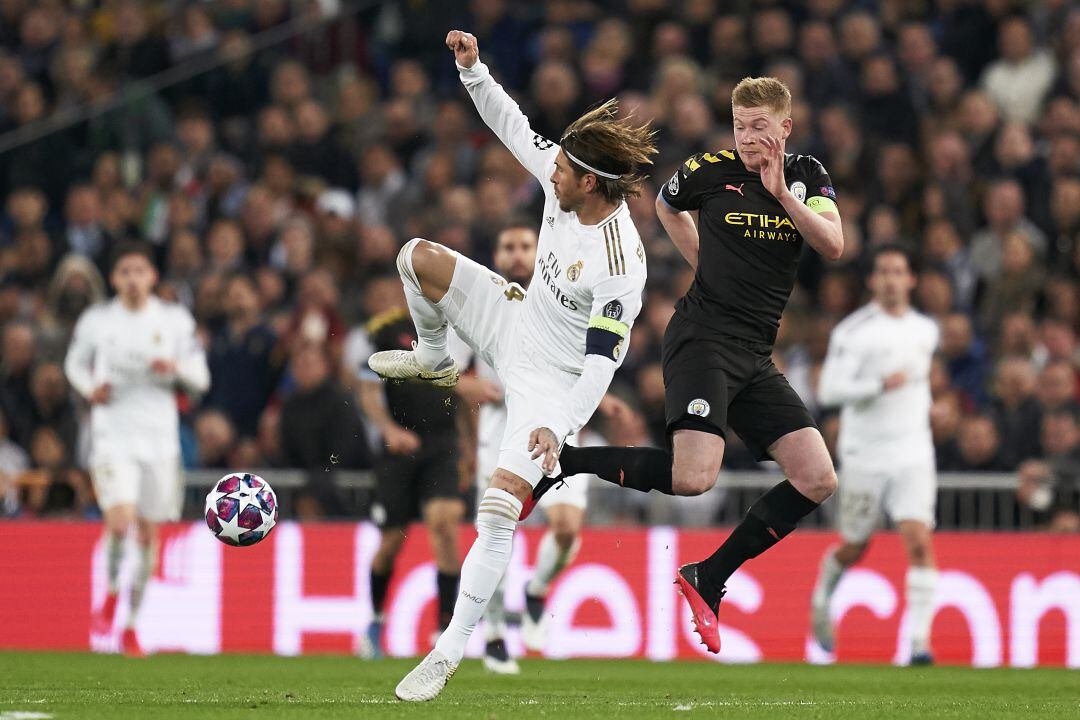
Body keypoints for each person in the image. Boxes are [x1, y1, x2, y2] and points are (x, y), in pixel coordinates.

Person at [367, 30, 654, 701]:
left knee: (497, 510)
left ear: (590, 182)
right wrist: (473, 71)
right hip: (514, 318)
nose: (549, 171)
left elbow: (600, 364)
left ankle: (447, 652)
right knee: (415, 256)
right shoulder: (566, 180)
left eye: (562, 170)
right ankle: (434, 356)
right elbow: (511, 126)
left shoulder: (620, 265)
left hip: (551, 383)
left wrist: (561, 428)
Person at [552, 75, 844, 654]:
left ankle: (708, 577)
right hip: (704, 337)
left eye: (760, 127)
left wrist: (782, 192)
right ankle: (565, 462)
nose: (748, 138)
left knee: (817, 478)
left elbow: (833, 245)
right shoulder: (710, 169)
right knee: (694, 477)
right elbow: (665, 203)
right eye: (740, 126)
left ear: (785, 127)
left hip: (754, 353)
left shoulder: (807, 176)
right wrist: (702, 261)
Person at [64, 242, 209, 656]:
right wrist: (90, 388)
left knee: (148, 532)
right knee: (119, 520)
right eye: (124, 270)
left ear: (152, 277)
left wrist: (176, 369)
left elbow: (200, 377)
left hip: (159, 440)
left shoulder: (174, 320)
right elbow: (74, 364)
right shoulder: (97, 320)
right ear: (114, 279)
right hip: (113, 435)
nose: (132, 278)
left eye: (139, 270)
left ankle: (130, 624)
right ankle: (110, 591)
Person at [463, 222, 596, 674]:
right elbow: (452, 372)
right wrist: (472, 385)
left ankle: (537, 591)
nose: (517, 254)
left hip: (556, 426)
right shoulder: (483, 300)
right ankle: (496, 634)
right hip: (499, 434)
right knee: (497, 533)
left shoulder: (560, 296)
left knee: (566, 528)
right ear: (496, 255)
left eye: (525, 246)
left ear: (540, 251)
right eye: (508, 246)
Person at [811, 245, 940, 665]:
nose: (890, 279)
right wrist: (879, 385)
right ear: (872, 280)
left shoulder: (926, 330)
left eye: (898, 271)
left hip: (913, 451)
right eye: (883, 271)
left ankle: (919, 642)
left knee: (919, 540)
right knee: (855, 545)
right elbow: (828, 391)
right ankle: (822, 596)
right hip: (864, 453)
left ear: (911, 280)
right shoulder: (854, 331)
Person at [356, 280, 475, 659]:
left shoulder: (458, 331)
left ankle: (444, 629)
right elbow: (367, 388)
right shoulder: (385, 331)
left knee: (444, 523)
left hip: (443, 445)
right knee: (392, 541)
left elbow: (462, 397)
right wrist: (389, 429)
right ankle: (375, 620)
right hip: (399, 448)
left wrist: (470, 449)